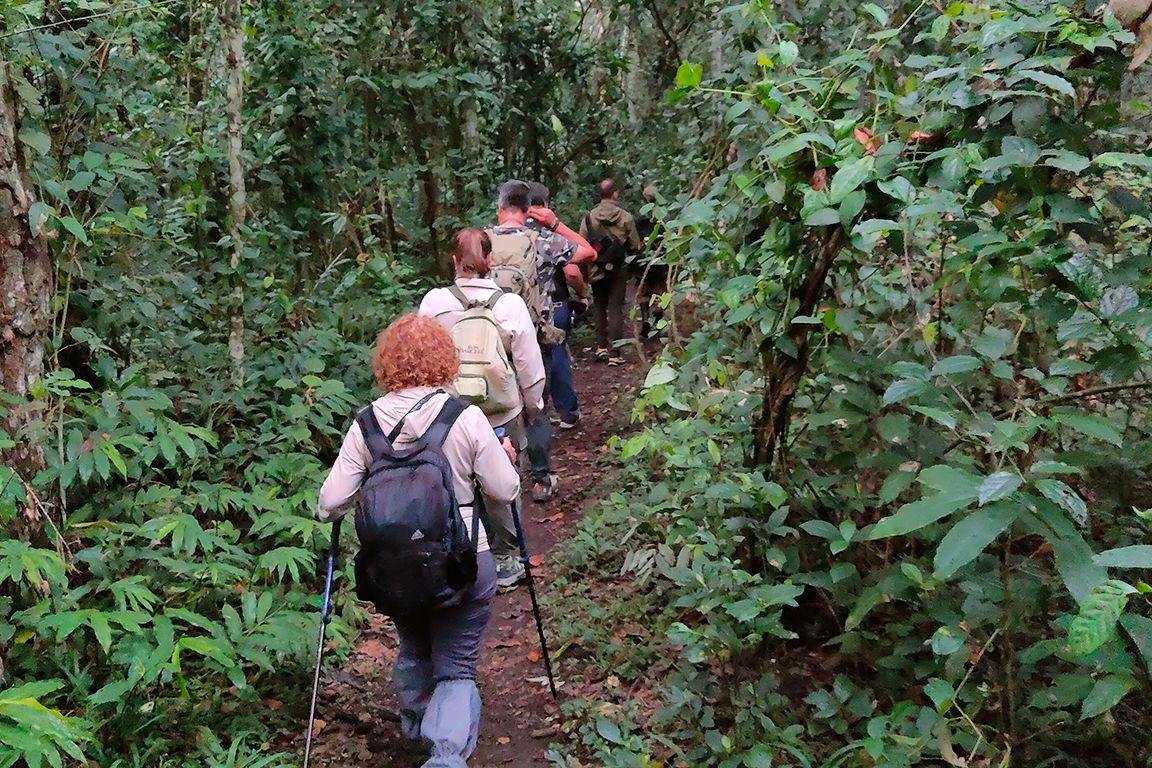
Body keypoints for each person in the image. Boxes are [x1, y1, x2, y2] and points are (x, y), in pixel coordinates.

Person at [317, 313, 520, 768]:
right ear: (445, 361)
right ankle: (445, 756)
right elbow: (504, 491)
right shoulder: (463, 417)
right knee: (456, 663)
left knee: (413, 645)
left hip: (394, 569)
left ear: (386, 364)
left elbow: (330, 504)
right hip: (464, 562)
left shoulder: (366, 424)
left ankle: (416, 731)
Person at [419, 227, 543, 588]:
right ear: (490, 260)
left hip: (449, 413)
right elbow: (529, 366)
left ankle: (464, 554)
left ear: (455, 261)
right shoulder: (509, 304)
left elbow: (422, 357)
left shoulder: (434, 302)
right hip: (499, 412)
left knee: (455, 481)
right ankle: (506, 559)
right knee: (501, 482)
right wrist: (531, 405)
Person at [526, 181, 594, 430]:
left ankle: (533, 415)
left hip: (519, 311)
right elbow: (573, 271)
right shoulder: (548, 237)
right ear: (545, 206)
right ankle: (567, 411)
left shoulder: (508, 236)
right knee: (557, 356)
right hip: (553, 306)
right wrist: (582, 294)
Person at [580, 178, 642, 366]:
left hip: (596, 267)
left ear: (600, 195)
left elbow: (582, 244)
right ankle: (615, 353)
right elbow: (635, 245)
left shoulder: (589, 218)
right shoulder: (626, 217)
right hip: (618, 269)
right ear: (614, 194)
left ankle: (601, 348)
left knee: (599, 305)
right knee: (616, 308)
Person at [634, 185, 666, 338]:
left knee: (644, 293)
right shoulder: (663, 215)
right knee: (660, 292)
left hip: (644, 261)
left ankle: (646, 317)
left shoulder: (641, 217)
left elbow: (636, 240)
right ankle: (657, 321)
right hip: (661, 261)